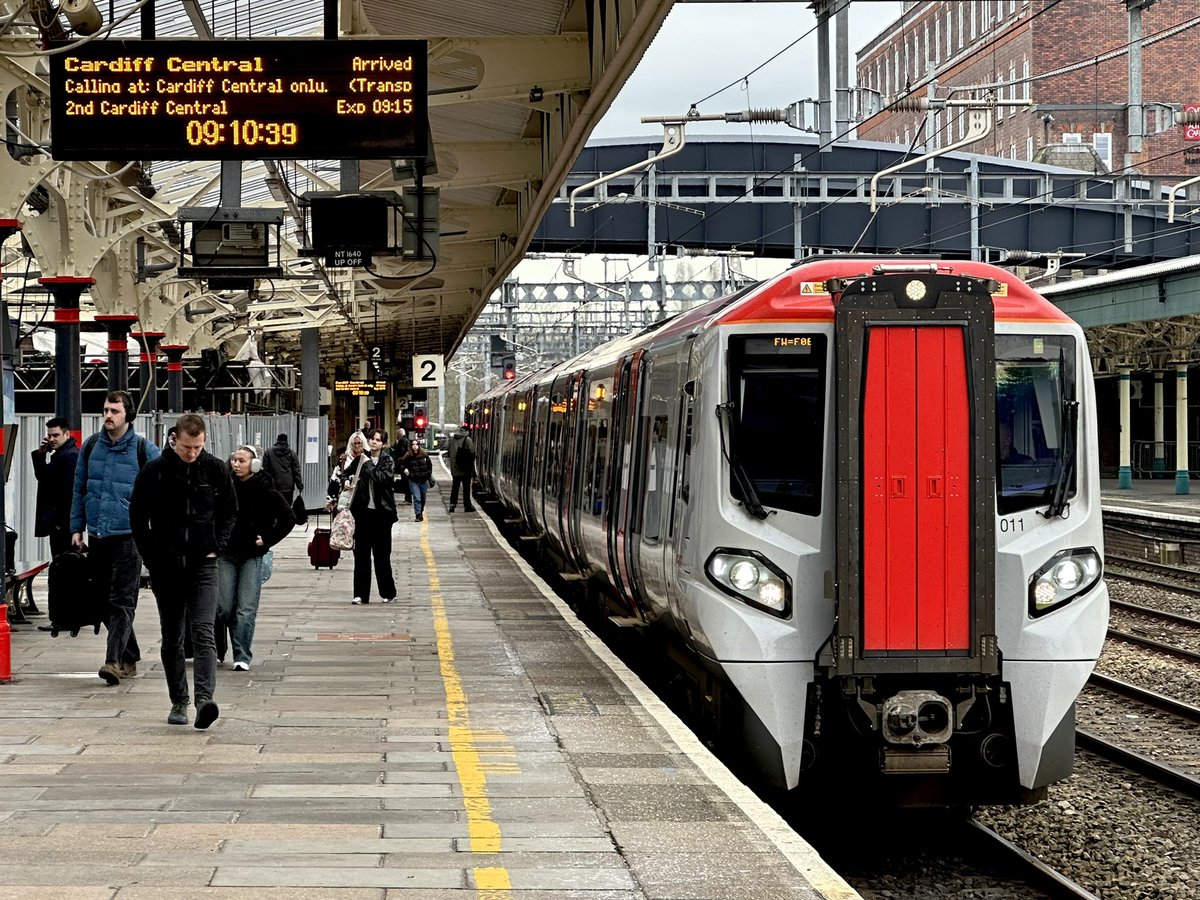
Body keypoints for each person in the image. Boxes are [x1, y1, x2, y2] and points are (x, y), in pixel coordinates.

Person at [130, 414, 237, 729]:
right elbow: (138, 517)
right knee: (173, 636)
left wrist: (219, 543)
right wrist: (151, 556)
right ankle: (179, 699)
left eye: (198, 447)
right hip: (167, 565)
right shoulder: (155, 472)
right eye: (188, 447)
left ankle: (205, 699)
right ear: (174, 437)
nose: (192, 453)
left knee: (204, 630)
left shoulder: (215, 468)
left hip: (204, 561)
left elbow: (230, 510)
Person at [70, 390, 160, 685]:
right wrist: (76, 528)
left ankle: (113, 661)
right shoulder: (92, 446)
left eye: (114, 411)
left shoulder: (145, 450)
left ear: (128, 415)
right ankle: (130, 655)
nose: (108, 415)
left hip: (129, 536)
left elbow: (164, 492)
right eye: (106, 410)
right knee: (101, 600)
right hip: (98, 534)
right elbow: (79, 488)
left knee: (122, 600)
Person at [217, 445, 293, 671]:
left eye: (242, 460)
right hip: (226, 554)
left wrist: (267, 539)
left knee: (246, 608)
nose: (236, 464)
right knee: (225, 606)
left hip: (251, 555)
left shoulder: (264, 489)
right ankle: (228, 642)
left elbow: (288, 518)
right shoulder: (224, 487)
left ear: (255, 464)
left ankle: (242, 655)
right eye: (234, 460)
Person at [327, 429, 397, 605]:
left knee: (382, 556)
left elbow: (383, 478)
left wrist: (368, 466)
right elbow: (343, 474)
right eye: (372, 439)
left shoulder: (387, 460)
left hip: (382, 515)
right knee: (361, 556)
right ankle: (360, 594)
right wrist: (346, 481)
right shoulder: (360, 459)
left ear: (383, 444)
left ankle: (387, 592)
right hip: (362, 514)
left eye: (378, 440)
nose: (373, 442)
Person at [32, 416, 80, 557]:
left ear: (67, 434)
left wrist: (60, 523)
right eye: (49, 435)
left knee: (63, 563)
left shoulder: (70, 456)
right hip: (59, 524)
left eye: (56, 435)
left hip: (62, 524)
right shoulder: (61, 455)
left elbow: (68, 493)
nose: (52, 439)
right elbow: (43, 478)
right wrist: (41, 453)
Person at [399, 438, 434, 522]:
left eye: (416, 444)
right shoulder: (408, 456)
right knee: (417, 498)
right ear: (411, 446)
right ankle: (418, 514)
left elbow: (430, 466)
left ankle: (420, 512)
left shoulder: (424, 456)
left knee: (423, 498)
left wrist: (428, 474)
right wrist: (406, 471)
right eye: (413, 445)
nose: (415, 446)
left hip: (423, 480)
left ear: (419, 446)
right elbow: (401, 463)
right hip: (413, 480)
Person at [262, 433, 303, 501]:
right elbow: (296, 471)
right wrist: (300, 486)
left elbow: (265, 470)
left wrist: (266, 484)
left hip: (273, 485)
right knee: (287, 507)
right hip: (288, 486)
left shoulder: (268, 452)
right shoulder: (292, 453)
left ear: (277, 440)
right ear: (286, 441)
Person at [445, 425, 476, 513]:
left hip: (455, 468)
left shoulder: (451, 439)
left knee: (455, 487)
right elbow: (472, 452)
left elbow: (448, 452)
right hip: (465, 468)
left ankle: (452, 505)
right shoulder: (468, 440)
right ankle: (467, 506)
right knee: (466, 488)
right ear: (467, 432)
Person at [390, 427, 410, 503]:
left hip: (403, 464)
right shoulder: (406, 440)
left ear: (399, 434)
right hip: (405, 464)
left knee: (405, 481)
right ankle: (408, 499)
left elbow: (400, 452)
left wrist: (395, 452)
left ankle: (407, 499)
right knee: (406, 481)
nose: (396, 436)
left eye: (396, 434)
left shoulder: (402, 441)